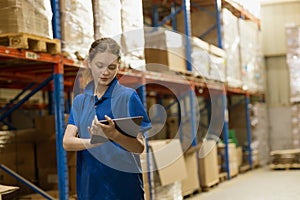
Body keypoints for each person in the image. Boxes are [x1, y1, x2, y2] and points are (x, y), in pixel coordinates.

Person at [63, 38, 152, 200]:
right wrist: (92, 142)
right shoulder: (80, 101)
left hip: (123, 189)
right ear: (89, 63)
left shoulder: (127, 97)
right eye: (100, 66)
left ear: (118, 66)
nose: (106, 72)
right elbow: (67, 142)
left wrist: (114, 135)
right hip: (90, 189)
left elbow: (139, 148)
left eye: (112, 67)